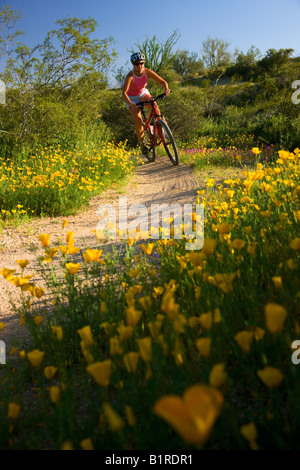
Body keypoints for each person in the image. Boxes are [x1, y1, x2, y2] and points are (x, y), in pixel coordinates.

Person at [122, 52, 170, 154]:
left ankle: (158, 124)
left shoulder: (147, 72)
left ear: (144, 63)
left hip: (143, 94)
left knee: (154, 104)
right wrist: (130, 103)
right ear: (133, 65)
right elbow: (124, 93)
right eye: (137, 64)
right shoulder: (130, 76)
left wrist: (166, 89)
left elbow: (162, 81)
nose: (140, 66)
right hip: (132, 99)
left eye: (142, 63)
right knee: (138, 120)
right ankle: (142, 143)